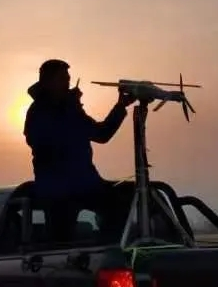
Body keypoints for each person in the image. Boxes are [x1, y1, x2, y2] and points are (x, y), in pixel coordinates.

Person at [23, 59, 138, 242]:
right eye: (62, 79)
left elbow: (102, 134)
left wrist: (120, 106)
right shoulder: (38, 113)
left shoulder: (71, 110)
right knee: (60, 243)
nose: (67, 84)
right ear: (48, 82)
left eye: (68, 79)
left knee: (124, 200)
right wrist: (69, 109)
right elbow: (47, 144)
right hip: (57, 192)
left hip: (86, 184)